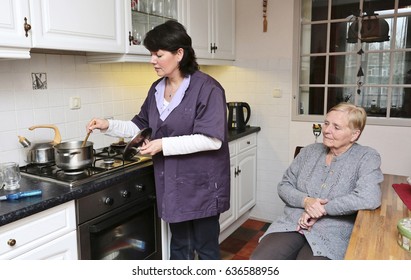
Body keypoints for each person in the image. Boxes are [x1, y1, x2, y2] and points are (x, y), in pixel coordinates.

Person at [86, 20, 230, 260]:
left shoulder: (208, 88)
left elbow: (212, 140)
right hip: (173, 185)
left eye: (158, 54)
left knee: (206, 250)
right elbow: (140, 126)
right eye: (151, 54)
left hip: (202, 186)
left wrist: (163, 145)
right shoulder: (156, 90)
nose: (152, 60)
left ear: (179, 54)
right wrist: (108, 125)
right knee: (180, 247)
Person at [250, 102, 383, 260]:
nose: (326, 130)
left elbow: (369, 197)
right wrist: (307, 201)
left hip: (332, 232)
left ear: (354, 135)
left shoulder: (366, 157)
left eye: (336, 127)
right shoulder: (309, 151)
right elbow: (284, 186)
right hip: (292, 223)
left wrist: (323, 209)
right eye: (326, 123)